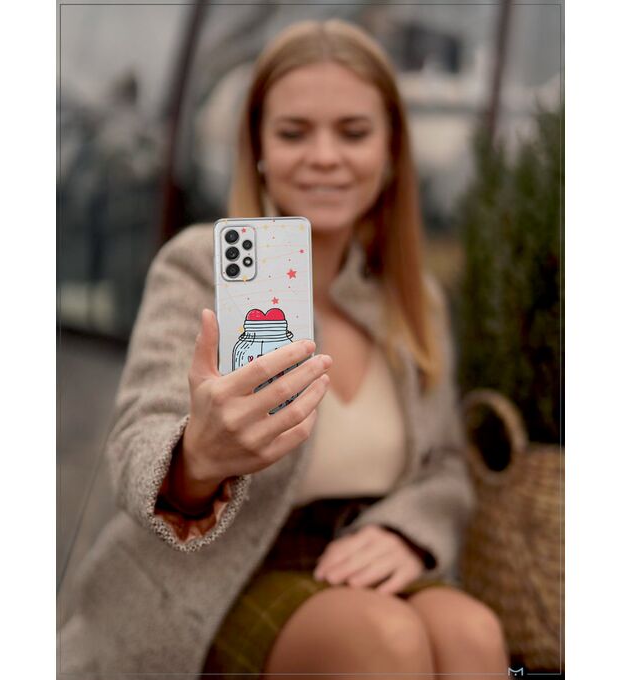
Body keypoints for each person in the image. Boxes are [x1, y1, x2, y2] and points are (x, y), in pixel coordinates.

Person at [58, 19, 509, 679]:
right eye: (294, 133)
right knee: (383, 641)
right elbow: (135, 443)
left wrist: (408, 530)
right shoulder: (201, 266)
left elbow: (443, 465)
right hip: (211, 578)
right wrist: (196, 458)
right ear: (259, 149)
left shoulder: (415, 302)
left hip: (353, 554)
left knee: (473, 633)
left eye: (353, 132)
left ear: (390, 151)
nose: (324, 156)